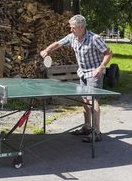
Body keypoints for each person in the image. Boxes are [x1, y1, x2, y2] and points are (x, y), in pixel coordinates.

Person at [40, 14, 113, 142]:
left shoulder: (94, 39)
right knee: (84, 100)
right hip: (82, 73)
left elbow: (108, 53)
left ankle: (96, 132)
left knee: (92, 100)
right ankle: (87, 127)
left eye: (73, 27)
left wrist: (101, 67)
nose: (71, 30)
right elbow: (58, 43)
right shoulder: (72, 37)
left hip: (94, 73)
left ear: (81, 27)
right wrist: (47, 50)